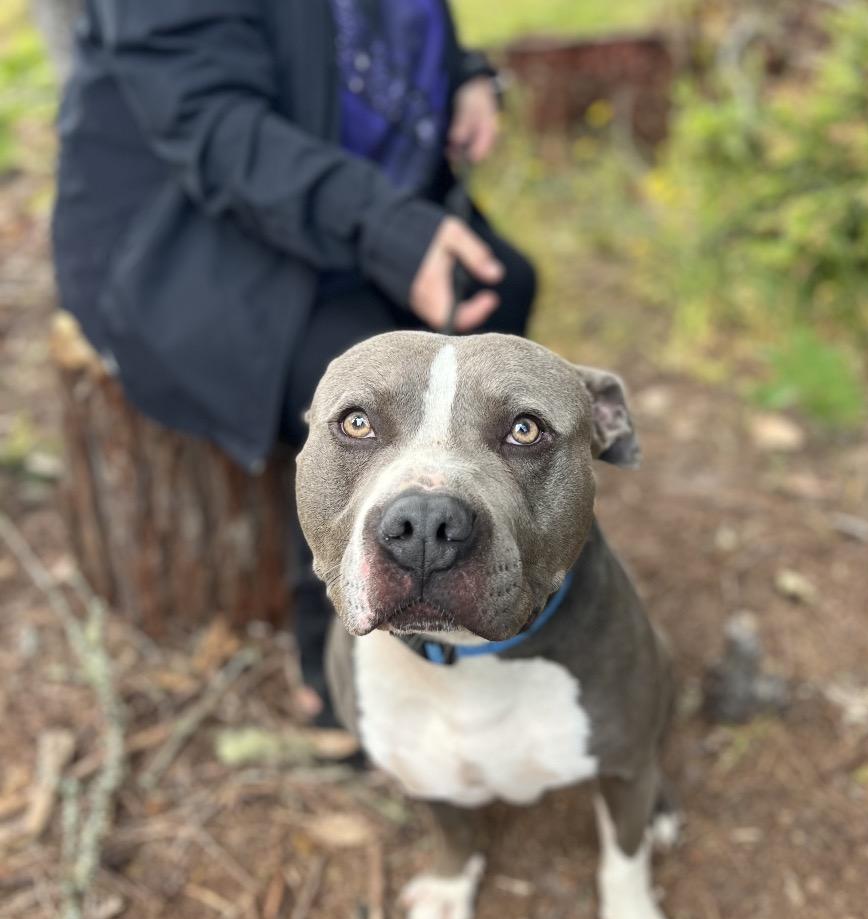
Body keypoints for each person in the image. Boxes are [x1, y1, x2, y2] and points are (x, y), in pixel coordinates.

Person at [52, 0, 536, 723]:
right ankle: (340, 668)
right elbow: (212, 126)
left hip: (351, 191)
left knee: (504, 287)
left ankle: (470, 582)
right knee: (359, 383)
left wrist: (465, 76)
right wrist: (387, 230)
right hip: (190, 231)